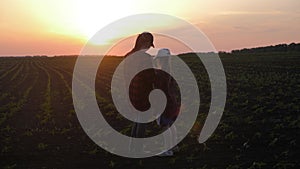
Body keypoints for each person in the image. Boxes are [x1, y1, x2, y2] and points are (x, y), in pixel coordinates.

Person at [124, 32, 155, 153]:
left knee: (137, 118)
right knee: (142, 120)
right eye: (149, 45)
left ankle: (132, 147)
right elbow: (150, 77)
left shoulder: (128, 56)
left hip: (131, 92)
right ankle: (138, 150)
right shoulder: (145, 58)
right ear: (145, 43)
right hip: (143, 93)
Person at [153, 48, 180, 156]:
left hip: (165, 104)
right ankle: (174, 146)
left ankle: (167, 150)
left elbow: (159, 91)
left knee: (165, 127)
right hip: (172, 103)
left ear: (160, 59)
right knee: (171, 125)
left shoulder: (161, 74)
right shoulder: (169, 71)